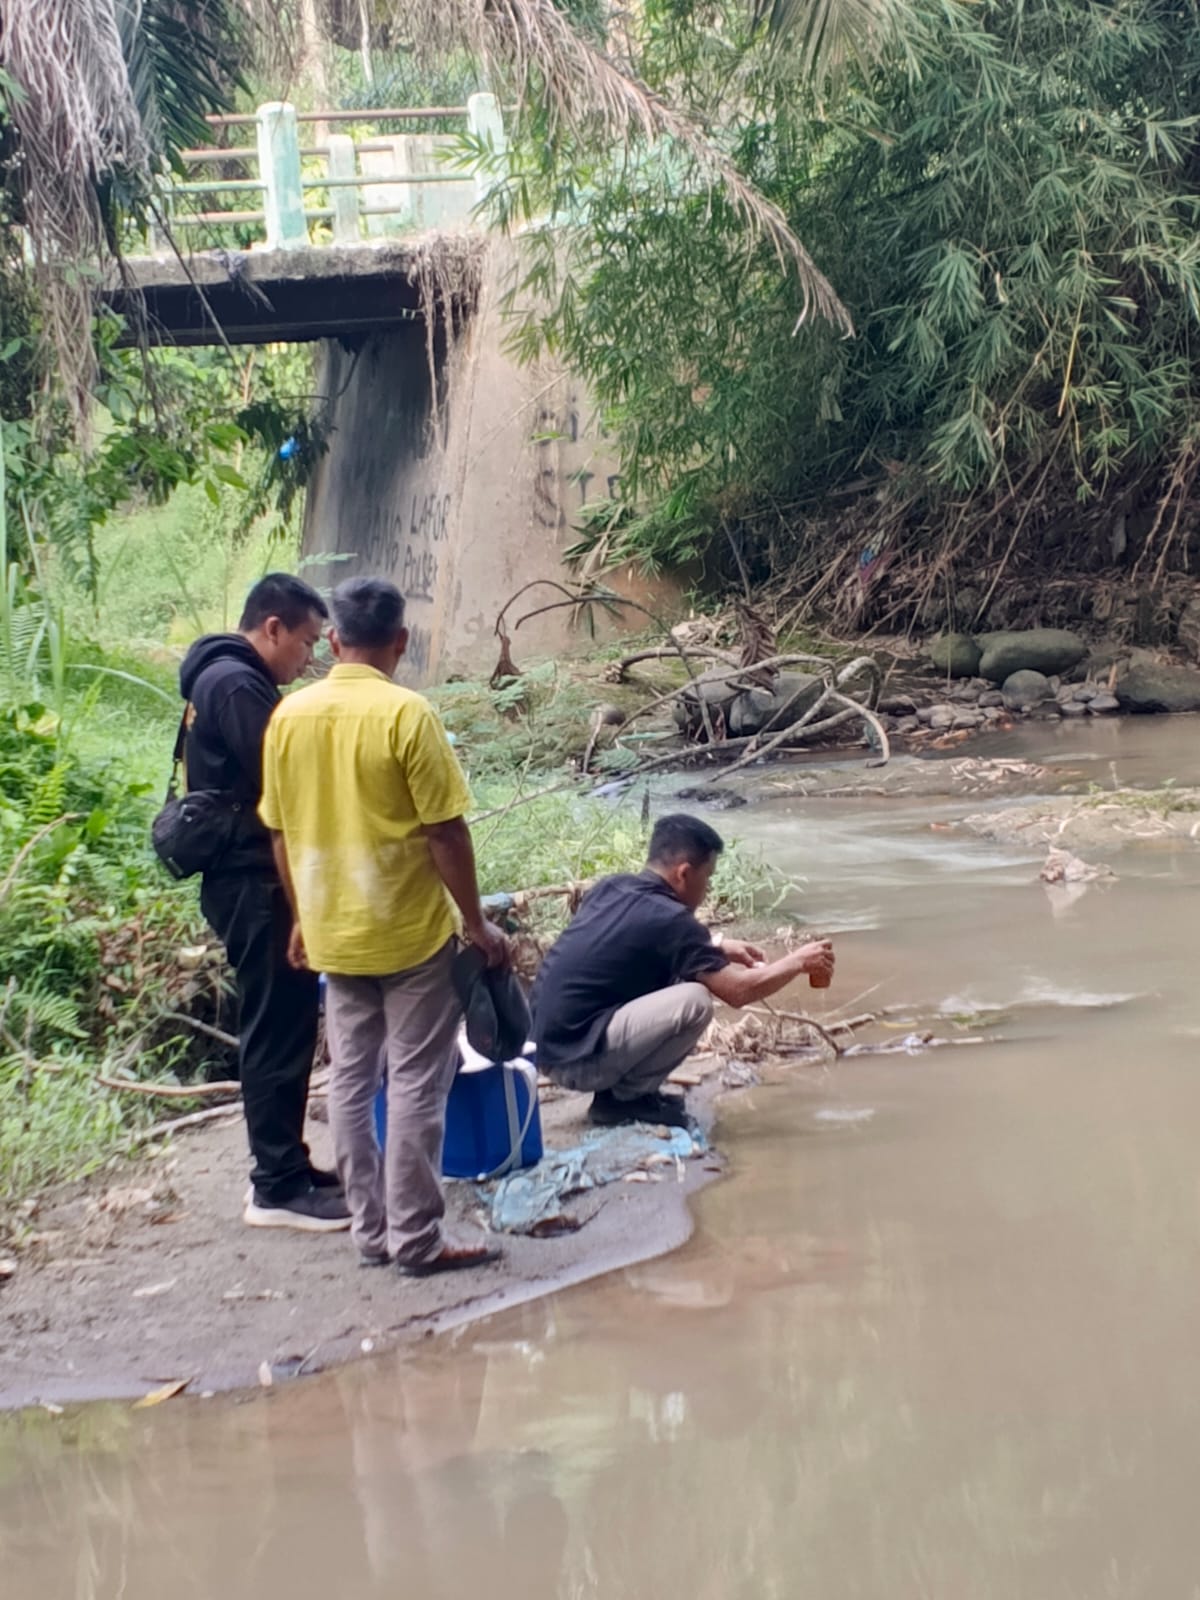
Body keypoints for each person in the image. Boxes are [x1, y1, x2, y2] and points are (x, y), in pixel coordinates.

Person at [259, 575, 509, 1276]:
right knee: (416, 1084)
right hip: (410, 935)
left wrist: (302, 918)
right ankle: (417, 1239)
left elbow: (279, 832)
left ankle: (370, 1234)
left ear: (335, 640)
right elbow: (446, 833)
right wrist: (476, 923)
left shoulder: (289, 717)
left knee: (349, 1079)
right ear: (402, 640)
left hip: (335, 932)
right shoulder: (407, 714)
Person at [180, 574, 351, 1232]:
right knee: (276, 1025)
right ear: (272, 628)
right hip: (253, 880)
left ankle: (289, 1165)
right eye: (306, 643)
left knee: (287, 1021)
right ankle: (276, 1186)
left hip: (251, 877)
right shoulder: (235, 684)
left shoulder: (227, 677)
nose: (308, 659)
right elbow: (284, 782)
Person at [531, 813, 835, 1128]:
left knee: (678, 977)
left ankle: (626, 1094)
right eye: (708, 877)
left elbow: (628, 945)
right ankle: (625, 1101)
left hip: (547, 1047)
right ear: (685, 873)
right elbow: (738, 991)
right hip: (576, 1063)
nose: (708, 887)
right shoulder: (673, 920)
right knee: (695, 1001)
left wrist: (716, 947)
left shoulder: (613, 886)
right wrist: (797, 961)